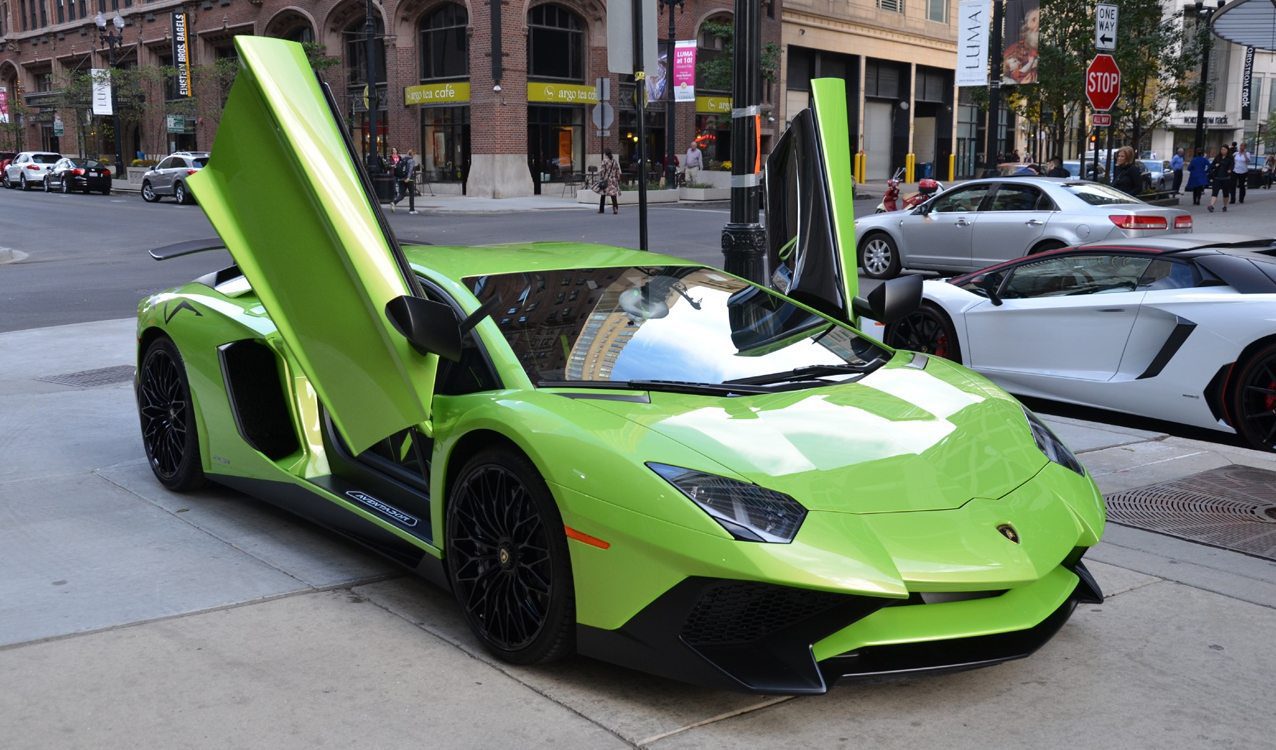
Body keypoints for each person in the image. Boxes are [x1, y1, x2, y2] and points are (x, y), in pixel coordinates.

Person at [1208, 144, 1234, 212]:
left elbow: (1232, 166)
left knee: (1225, 193)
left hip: (1226, 178)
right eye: (1222, 149)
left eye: (1224, 150)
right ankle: (1211, 205)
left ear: (1227, 150)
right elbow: (1212, 165)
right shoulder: (1218, 157)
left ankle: (1225, 206)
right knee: (1214, 192)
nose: (1223, 151)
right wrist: (1215, 165)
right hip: (1217, 178)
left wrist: (1230, 170)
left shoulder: (1230, 158)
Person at [595, 148, 620, 215]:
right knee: (613, 195)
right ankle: (615, 209)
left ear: (605, 154)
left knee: (603, 195)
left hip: (606, 180)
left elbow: (602, 170)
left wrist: (601, 176)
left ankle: (601, 209)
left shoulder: (605, 161)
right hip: (613, 180)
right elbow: (617, 171)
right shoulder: (614, 161)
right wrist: (617, 178)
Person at [391, 148, 417, 213]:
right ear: (413, 154)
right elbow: (410, 170)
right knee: (411, 194)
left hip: (401, 179)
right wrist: (408, 178)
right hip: (409, 179)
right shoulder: (411, 160)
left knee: (401, 195)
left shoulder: (403, 159)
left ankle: (394, 202)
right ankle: (412, 209)